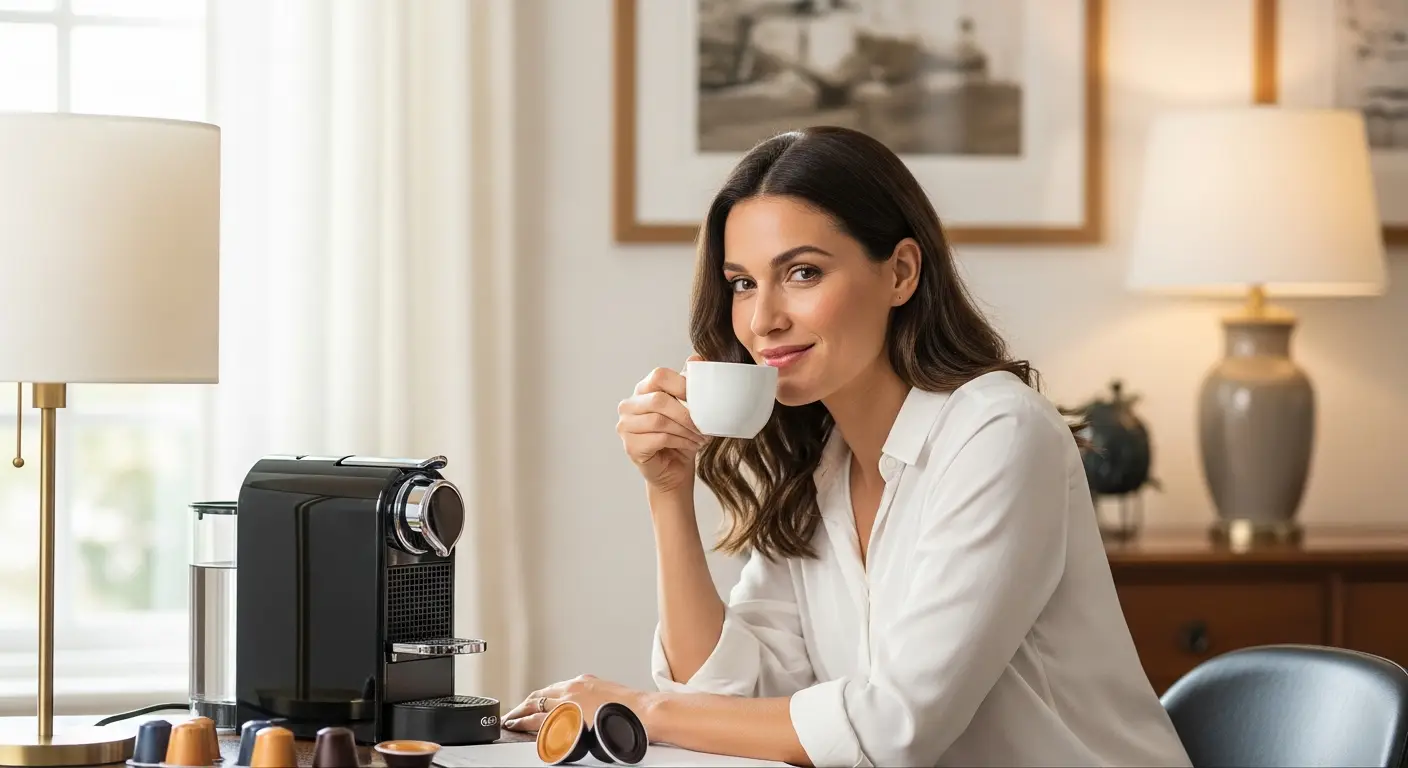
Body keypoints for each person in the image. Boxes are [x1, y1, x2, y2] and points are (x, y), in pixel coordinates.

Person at [502, 126, 1192, 767]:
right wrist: (668, 491)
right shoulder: (822, 463)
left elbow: (894, 726)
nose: (763, 318)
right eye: (743, 283)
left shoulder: (999, 435)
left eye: (802, 273)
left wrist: (643, 710)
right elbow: (731, 700)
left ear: (900, 272)